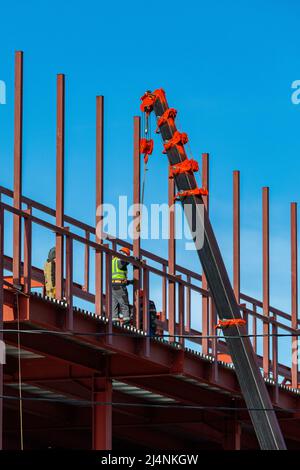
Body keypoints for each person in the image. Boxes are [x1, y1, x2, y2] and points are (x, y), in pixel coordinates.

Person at [111, 247, 133, 324]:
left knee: (115, 302)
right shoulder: (120, 260)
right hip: (119, 286)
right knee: (124, 301)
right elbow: (122, 264)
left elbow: (118, 275)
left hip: (113, 285)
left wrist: (129, 282)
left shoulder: (113, 260)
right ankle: (126, 319)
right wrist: (132, 259)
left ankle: (114, 319)